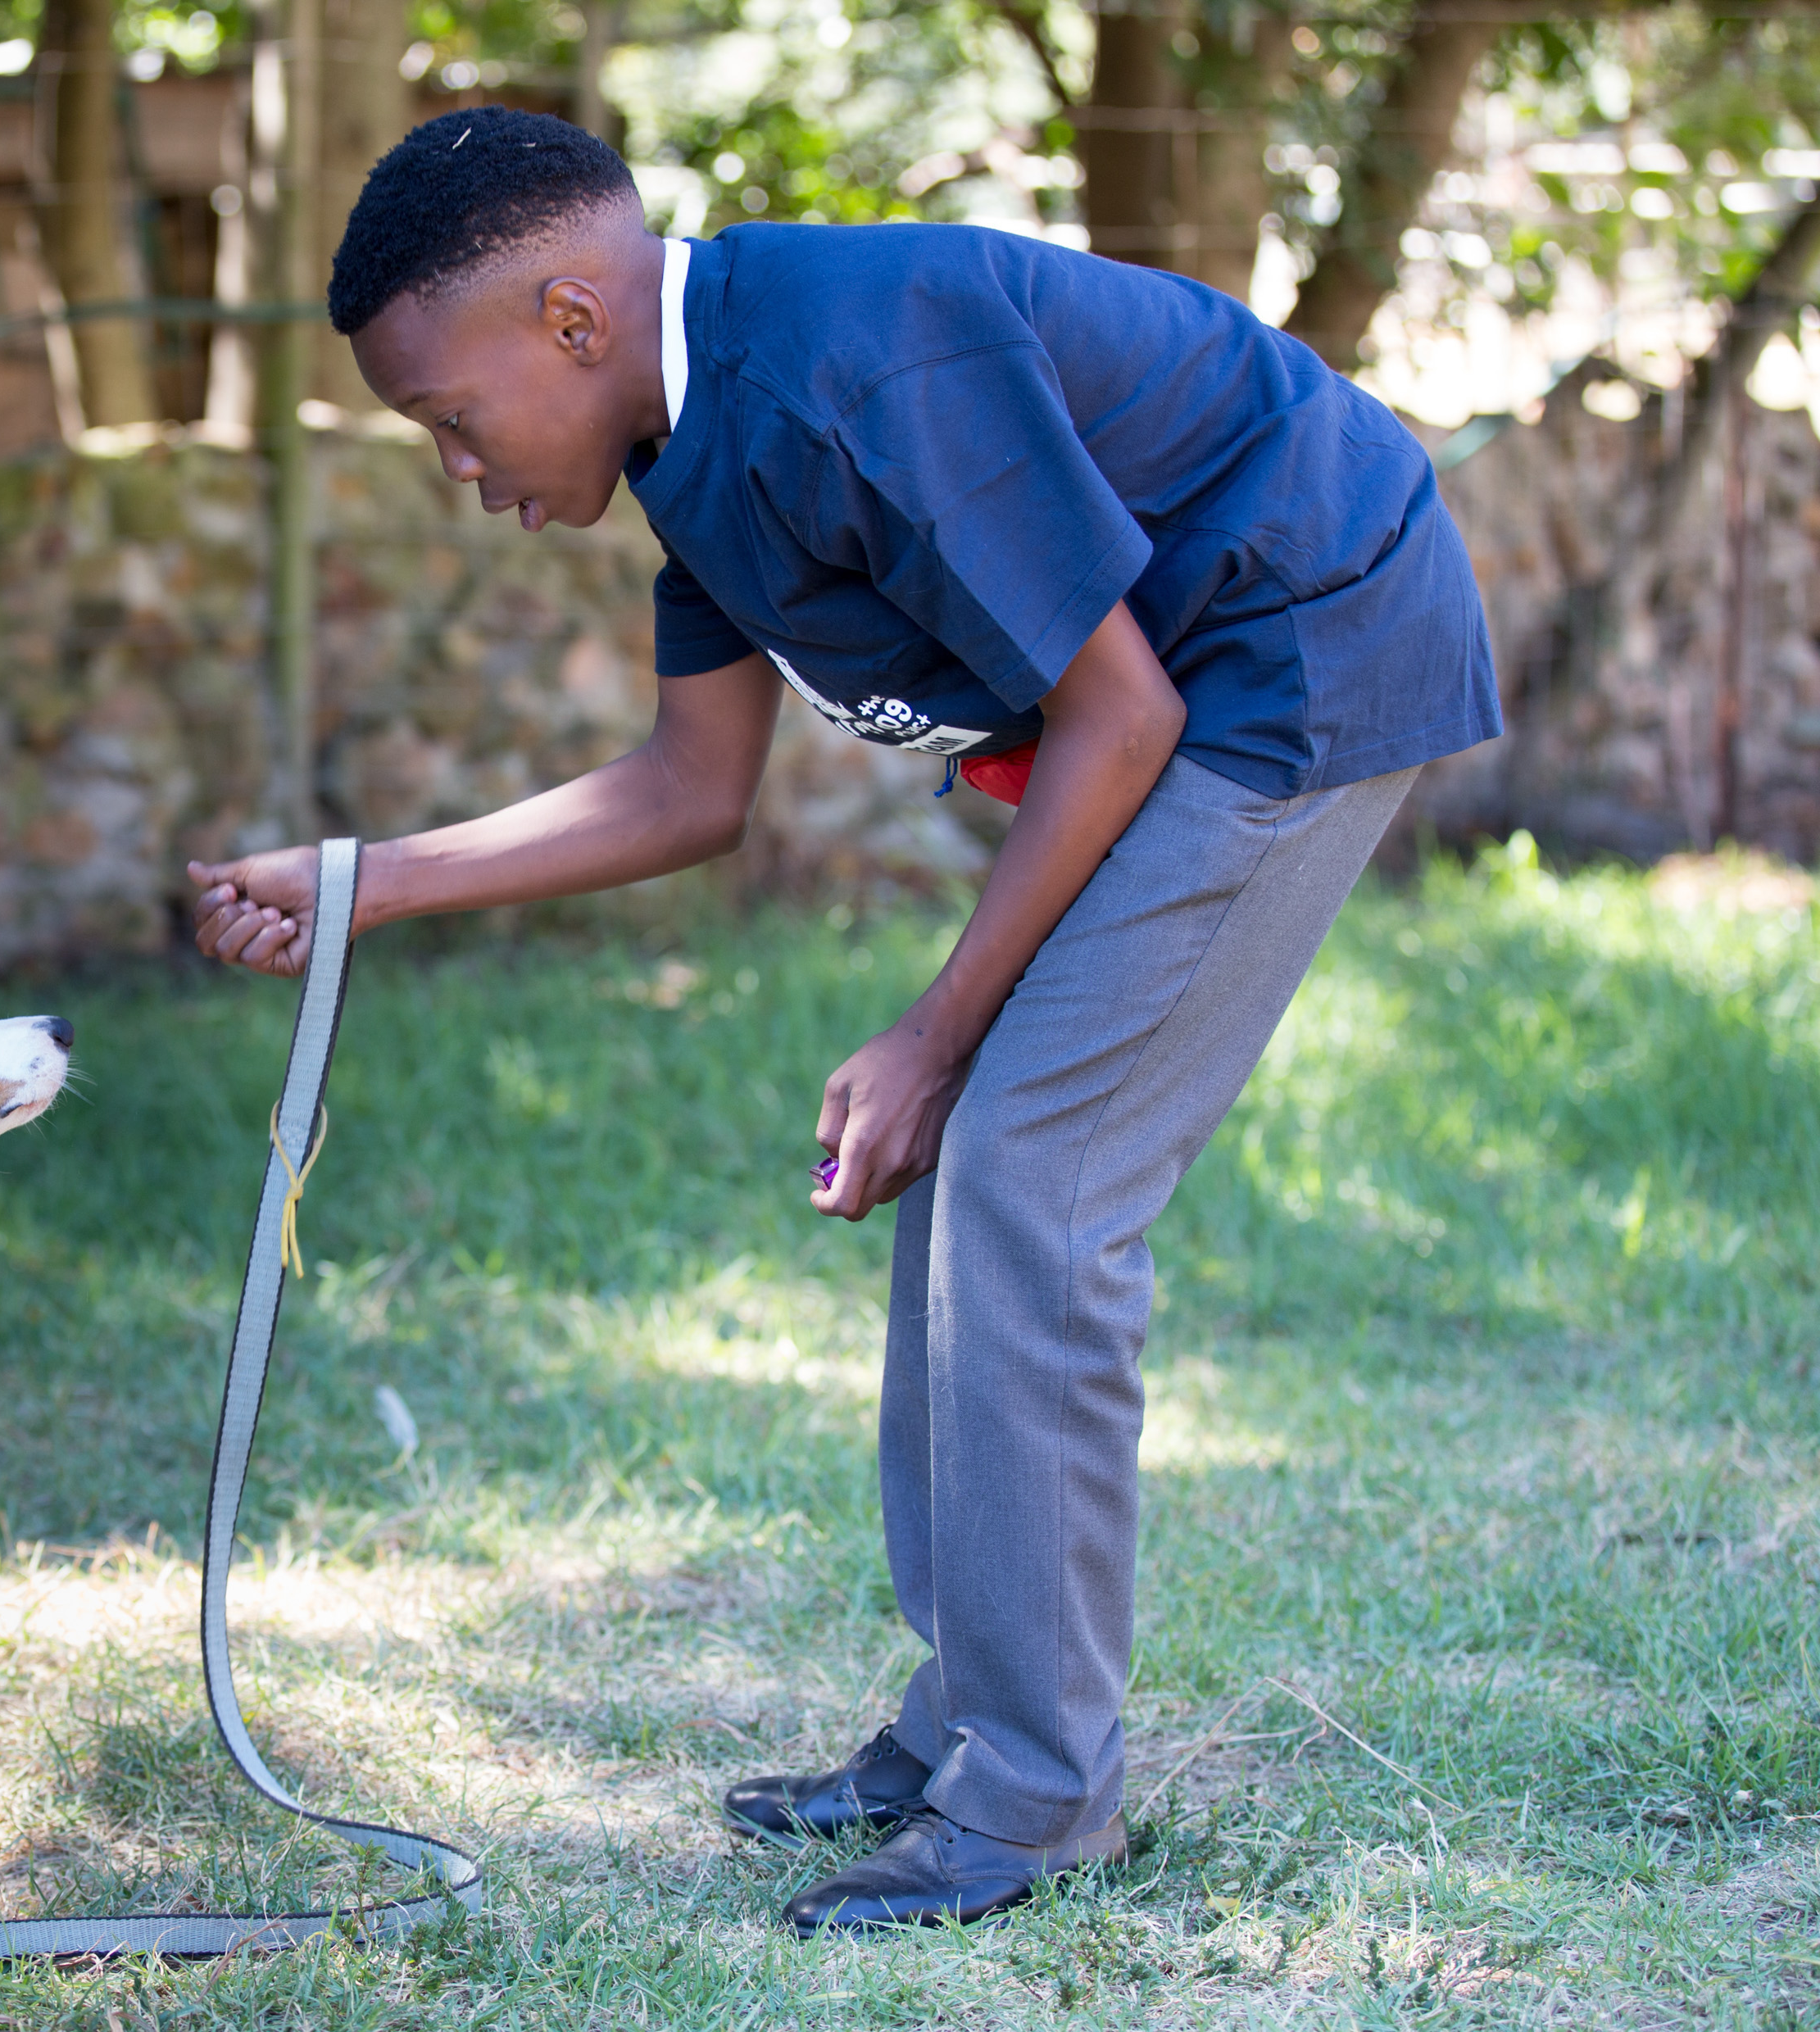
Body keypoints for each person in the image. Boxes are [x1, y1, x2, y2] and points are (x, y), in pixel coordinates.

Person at [183, 110, 1497, 1934]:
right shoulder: (693, 450)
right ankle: (969, 1722)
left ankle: (1039, 1799)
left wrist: (935, 1029)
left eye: (447, 418)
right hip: (1181, 696)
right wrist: (361, 881)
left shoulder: (851, 371)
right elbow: (685, 791)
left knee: (1034, 1169)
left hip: (1296, 649)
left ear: (572, 320)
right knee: (980, 1168)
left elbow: (1121, 718)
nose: (458, 467)